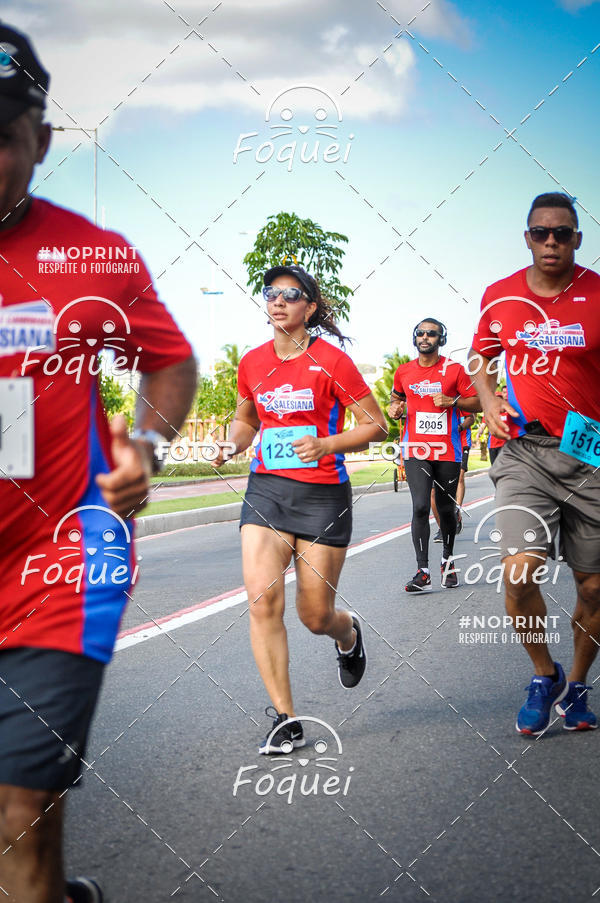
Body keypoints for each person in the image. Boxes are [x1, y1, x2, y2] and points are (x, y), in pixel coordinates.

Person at [0, 25, 197, 903]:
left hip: (58, 572)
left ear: (40, 140)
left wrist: (144, 445)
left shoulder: (92, 257)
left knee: (18, 812)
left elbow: (171, 360)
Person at [216, 263, 386, 754]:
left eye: (291, 295)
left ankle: (347, 634)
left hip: (322, 497)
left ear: (310, 307)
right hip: (267, 490)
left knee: (315, 615)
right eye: (271, 293)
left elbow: (375, 424)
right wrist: (231, 443)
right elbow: (247, 418)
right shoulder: (251, 362)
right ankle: (285, 720)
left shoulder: (333, 361)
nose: (278, 301)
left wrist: (327, 443)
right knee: (263, 601)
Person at [469, 191, 600, 735]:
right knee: (519, 572)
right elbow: (480, 359)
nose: (552, 241)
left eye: (562, 233)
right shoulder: (499, 298)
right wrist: (490, 398)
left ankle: (576, 686)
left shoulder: (597, 293)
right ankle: (542, 675)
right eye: (541, 232)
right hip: (524, 451)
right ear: (527, 237)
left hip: (591, 453)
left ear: (577, 238)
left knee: (594, 588)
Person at [388, 319, 480, 592]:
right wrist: (395, 408)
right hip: (416, 449)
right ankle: (422, 571)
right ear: (414, 338)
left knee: (445, 507)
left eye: (432, 333)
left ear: (442, 339)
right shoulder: (403, 371)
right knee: (419, 506)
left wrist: (453, 402)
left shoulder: (455, 371)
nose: (425, 337)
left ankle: (448, 561)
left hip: (447, 449)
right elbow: (396, 399)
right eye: (421, 333)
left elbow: (477, 402)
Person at [432, 411, 474, 541]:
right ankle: (442, 528)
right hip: (441, 445)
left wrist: (459, 427)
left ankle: (456, 510)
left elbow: (472, 416)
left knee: (460, 477)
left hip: (461, 443)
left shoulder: (462, 399)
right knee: (434, 490)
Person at [475, 387, 519, 465]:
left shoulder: (509, 412)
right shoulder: (490, 413)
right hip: (493, 445)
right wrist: (479, 433)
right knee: (495, 467)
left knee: (504, 467)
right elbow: (483, 425)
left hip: (505, 445)